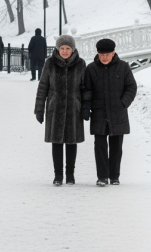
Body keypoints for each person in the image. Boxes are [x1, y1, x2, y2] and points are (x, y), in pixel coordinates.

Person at [81, 38, 137, 187]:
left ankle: (114, 176)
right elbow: (87, 90)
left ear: (113, 53)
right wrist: (87, 107)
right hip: (99, 113)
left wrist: (123, 103)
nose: (104, 57)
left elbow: (131, 87)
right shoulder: (91, 69)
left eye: (107, 54)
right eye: (101, 54)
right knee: (99, 146)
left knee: (116, 147)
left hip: (118, 113)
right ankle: (102, 176)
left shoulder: (123, 67)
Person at [34, 35, 86, 186]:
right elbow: (43, 87)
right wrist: (39, 110)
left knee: (71, 142)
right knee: (56, 142)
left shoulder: (81, 64)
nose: (64, 51)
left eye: (67, 48)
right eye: (62, 48)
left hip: (73, 109)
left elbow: (85, 88)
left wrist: (84, 108)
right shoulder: (49, 63)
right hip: (54, 109)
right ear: (57, 49)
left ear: (73, 49)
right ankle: (58, 175)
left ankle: (70, 174)